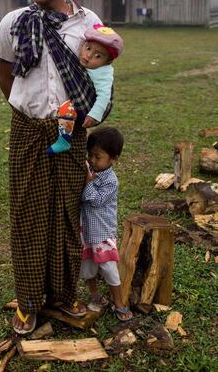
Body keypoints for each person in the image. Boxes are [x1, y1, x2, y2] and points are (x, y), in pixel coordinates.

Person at [0, 0, 103, 335]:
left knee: (67, 213)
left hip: (71, 132)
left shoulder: (89, 24)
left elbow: (102, 73)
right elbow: (6, 74)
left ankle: (62, 296)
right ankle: (28, 303)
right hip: (28, 131)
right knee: (27, 216)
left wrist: (91, 114)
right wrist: (28, 111)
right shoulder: (14, 22)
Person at [80, 127, 133, 322]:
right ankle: (95, 295)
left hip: (102, 233)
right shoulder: (90, 170)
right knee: (88, 266)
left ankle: (118, 302)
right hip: (86, 231)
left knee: (109, 268)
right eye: (90, 155)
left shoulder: (111, 181)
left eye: (97, 157)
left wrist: (88, 183)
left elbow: (93, 199)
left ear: (114, 158)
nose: (92, 160)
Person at [47, 24, 123, 154]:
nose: (88, 56)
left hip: (87, 105)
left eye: (98, 56)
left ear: (108, 61)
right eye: (88, 48)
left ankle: (64, 140)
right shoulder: (80, 59)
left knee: (66, 109)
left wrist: (94, 114)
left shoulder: (103, 74)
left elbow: (104, 95)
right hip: (76, 98)